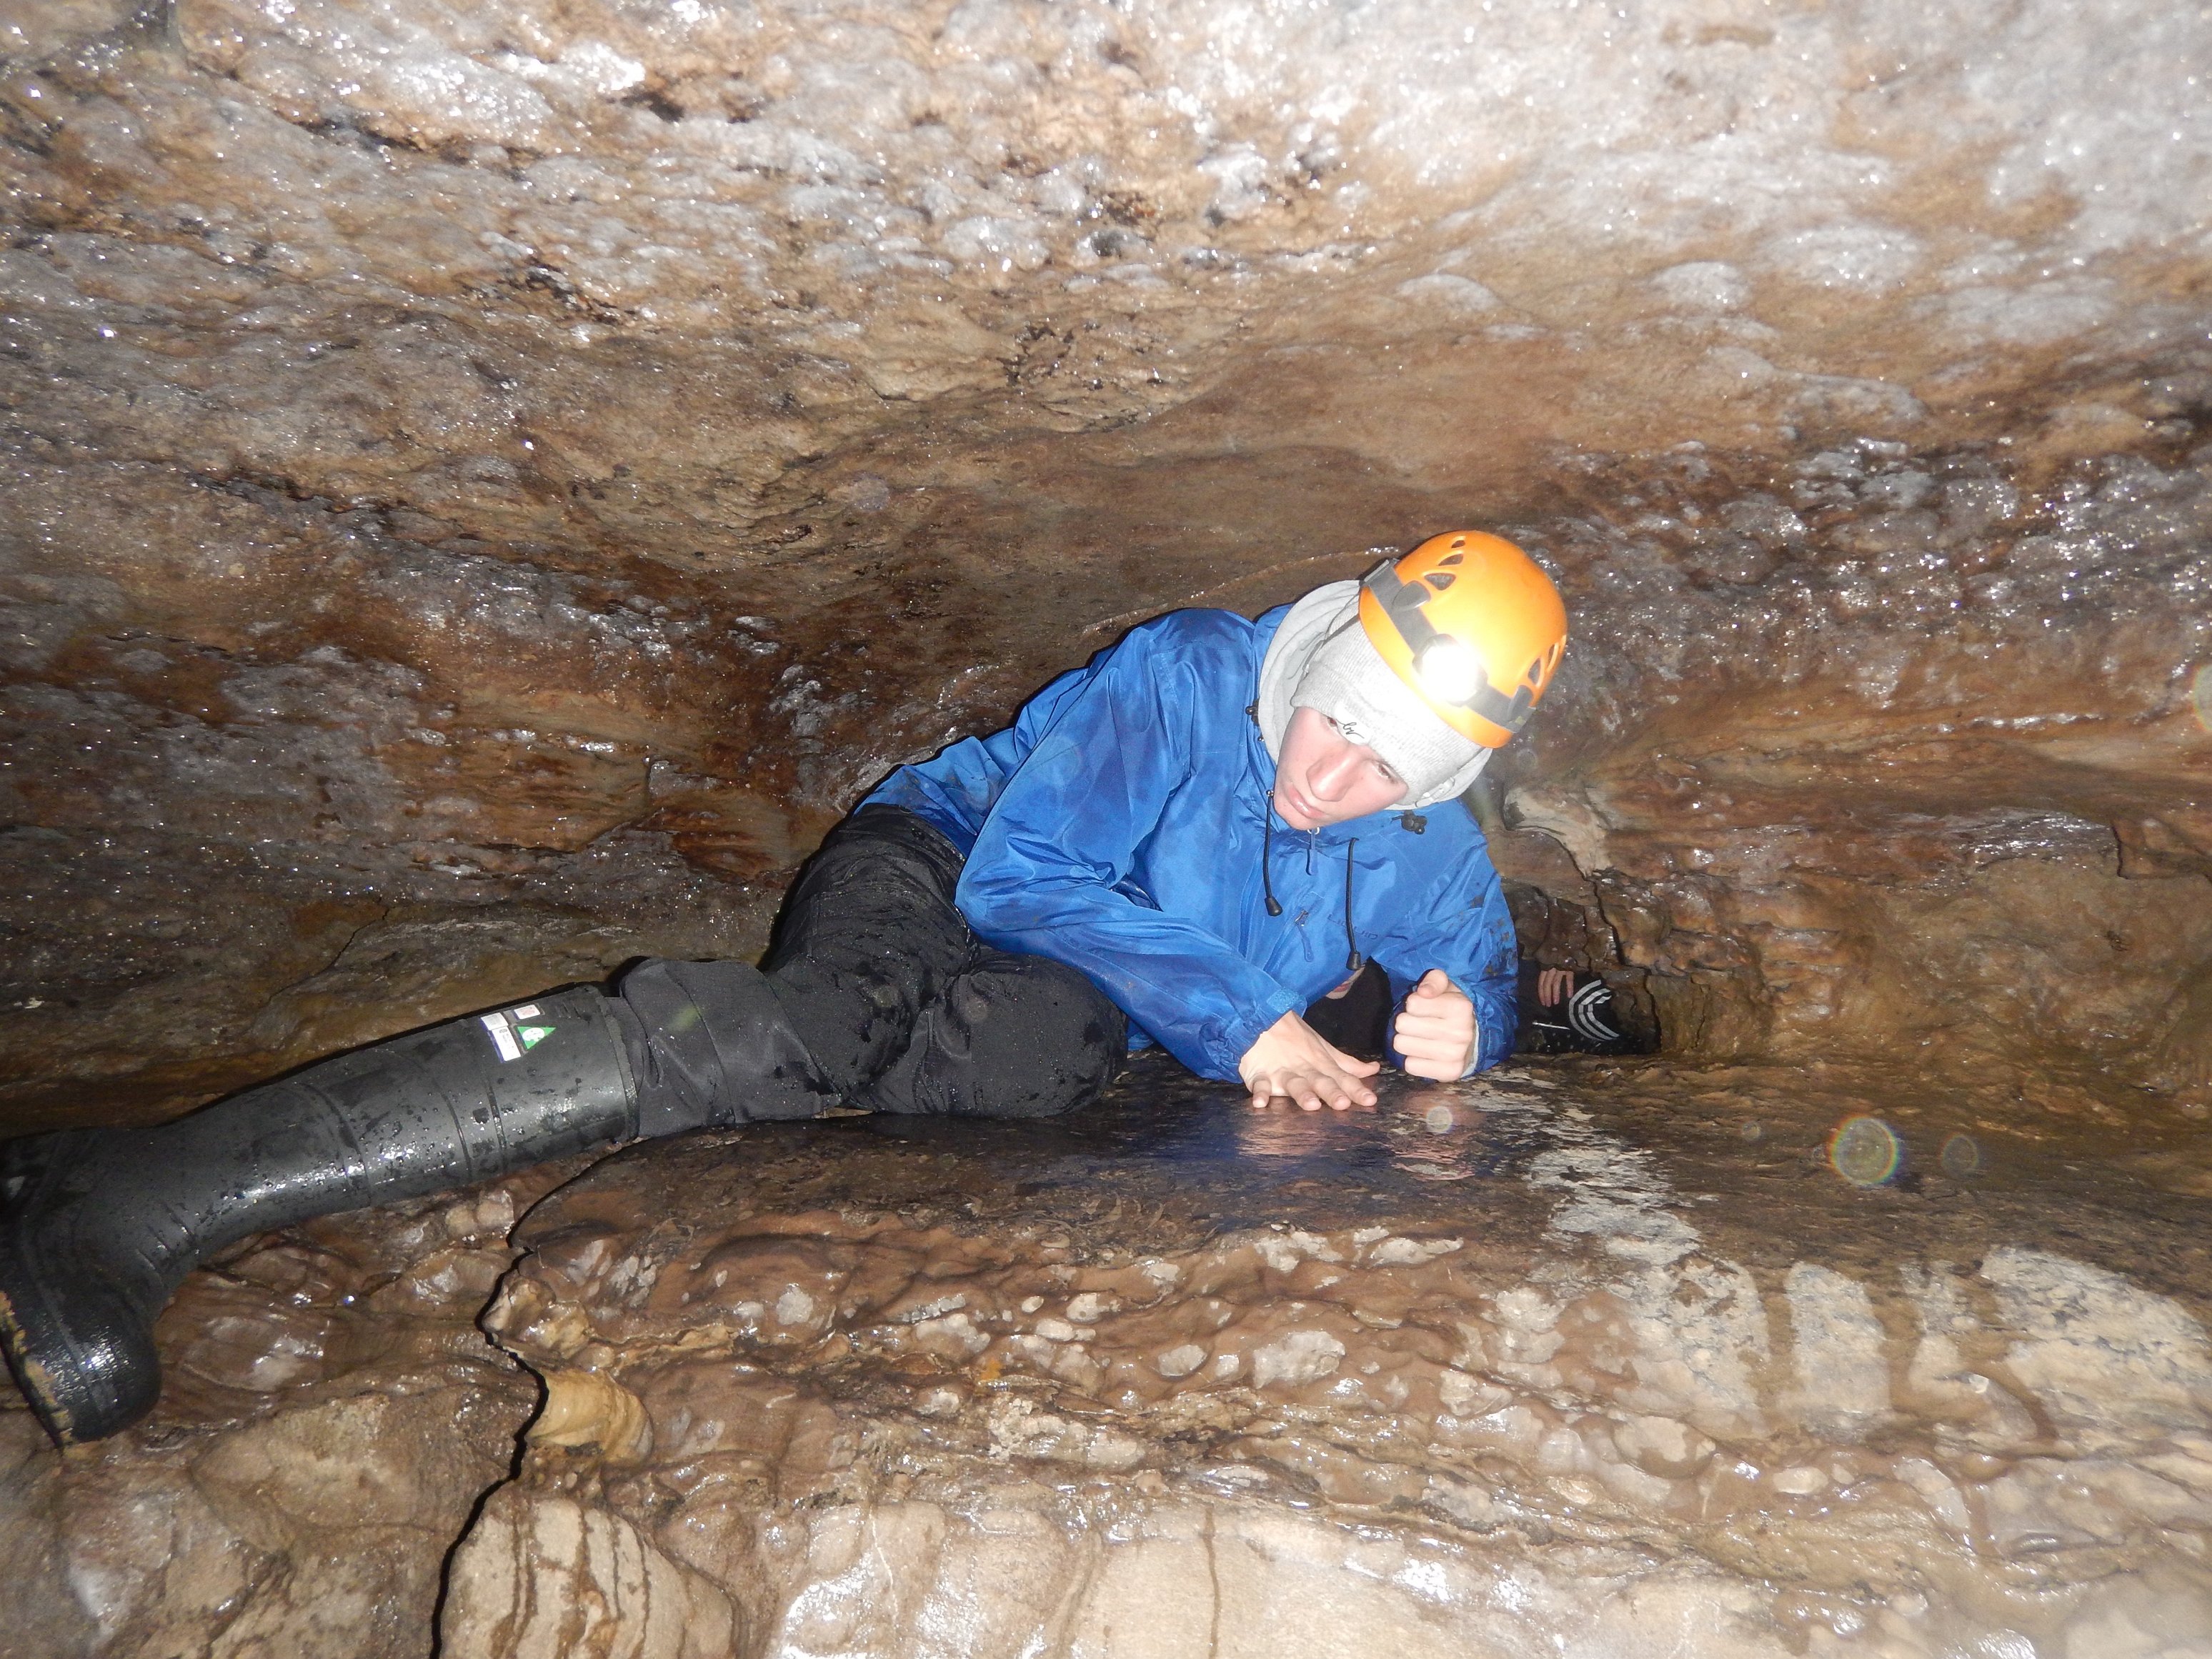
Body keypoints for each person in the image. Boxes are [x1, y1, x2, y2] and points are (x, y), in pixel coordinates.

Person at [0, 531, 1568, 1446]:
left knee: (1055, 1061)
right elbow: (1022, 877)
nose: (1335, 775)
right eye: (1340, 718)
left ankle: (761, 1069)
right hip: (939, 860)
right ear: (1324, 652)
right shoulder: (1192, 671)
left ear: (1445, 778)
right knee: (836, 1022)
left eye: (1393, 764)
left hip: (1056, 977)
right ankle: (140, 1190)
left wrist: (1470, 1021)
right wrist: (1245, 1019)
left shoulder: (1418, 831)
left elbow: (1479, 956)